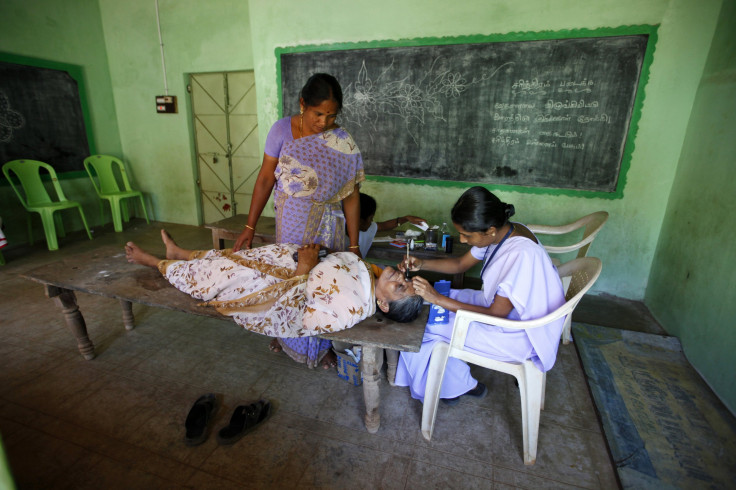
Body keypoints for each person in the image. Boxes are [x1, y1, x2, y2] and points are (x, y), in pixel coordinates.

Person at [125, 231, 423, 369]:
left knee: (218, 274)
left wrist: (305, 265)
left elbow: (294, 316)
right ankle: (180, 254)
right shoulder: (368, 277)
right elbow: (342, 264)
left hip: (270, 286)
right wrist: (315, 254)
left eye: (399, 288)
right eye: (405, 280)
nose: (399, 278)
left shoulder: (350, 309)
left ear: (383, 306)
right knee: (236, 257)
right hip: (285, 264)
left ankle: (153, 262)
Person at [231, 73, 365, 368]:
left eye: (331, 116)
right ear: (303, 104)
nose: (324, 122)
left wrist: (354, 245)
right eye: (318, 113)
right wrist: (249, 227)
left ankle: (322, 345)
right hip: (291, 223)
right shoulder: (281, 131)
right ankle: (286, 335)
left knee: (323, 284)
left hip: (328, 227)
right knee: (291, 279)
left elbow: (351, 195)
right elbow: (266, 179)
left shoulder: (341, 142)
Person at [394, 187, 565, 404]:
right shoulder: (505, 231)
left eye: (467, 235)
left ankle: (456, 385)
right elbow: (459, 264)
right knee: (438, 302)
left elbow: (496, 314)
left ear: (490, 230)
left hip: (520, 334)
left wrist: (436, 298)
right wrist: (422, 263)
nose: (463, 240)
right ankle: (449, 381)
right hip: (508, 312)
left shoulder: (520, 253)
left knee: (423, 326)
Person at [356, 192, 427, 257]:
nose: (372, 221)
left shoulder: (366, 227)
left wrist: (406, 218)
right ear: (360, 220)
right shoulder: (346, 241)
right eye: (371, 218)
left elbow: (385, 225)